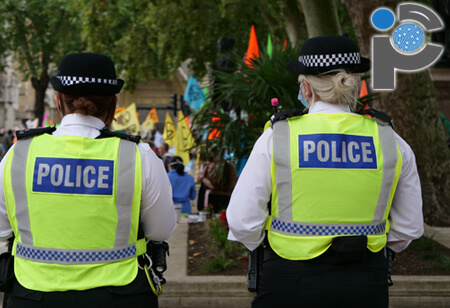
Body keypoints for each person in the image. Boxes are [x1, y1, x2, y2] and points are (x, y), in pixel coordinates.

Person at [226, 35, 424, 308]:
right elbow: (409, 226)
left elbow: (242, 220)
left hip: (289, 280)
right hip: (365, 282)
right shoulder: (391, 140)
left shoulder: (278, 135)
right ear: (355, 85)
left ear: (306, 88)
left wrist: (273, 248)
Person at [0, 53, 177, 307]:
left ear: (58, 101)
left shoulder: (19, 153)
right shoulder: (138, 155)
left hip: (32, 294)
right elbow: (161, 230)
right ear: (114, 104)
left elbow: (3, 228)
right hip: (120, 295)